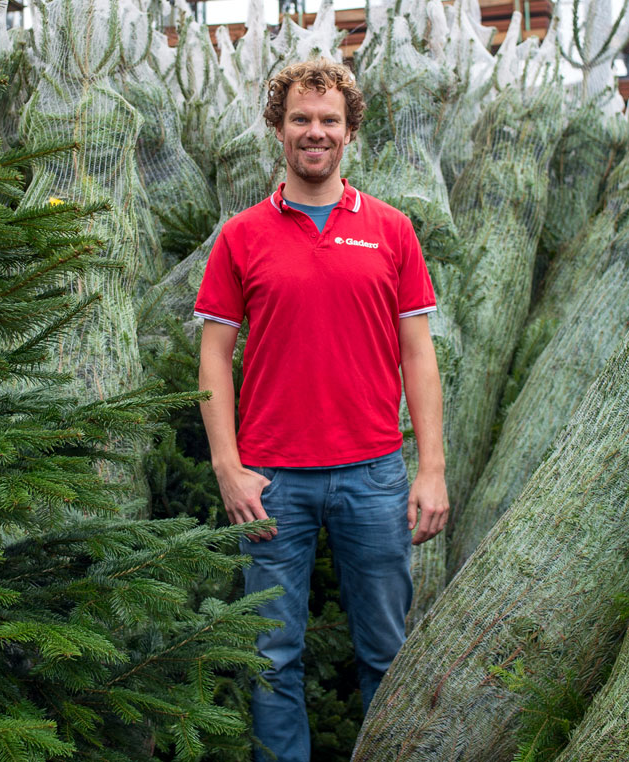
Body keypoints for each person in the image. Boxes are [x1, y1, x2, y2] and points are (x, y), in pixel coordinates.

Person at [193, 58, 448, 762]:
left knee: (387, 653)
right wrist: (228, 467)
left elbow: (419, 357)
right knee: (271, 657)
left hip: (373, 475)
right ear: (278, 129)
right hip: (272, 481)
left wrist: (431, 469)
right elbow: (214, 356)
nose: (315, 132)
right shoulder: (241, 236)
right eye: (301, 119)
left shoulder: (392, 231)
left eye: (329, 120)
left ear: (349, 132)